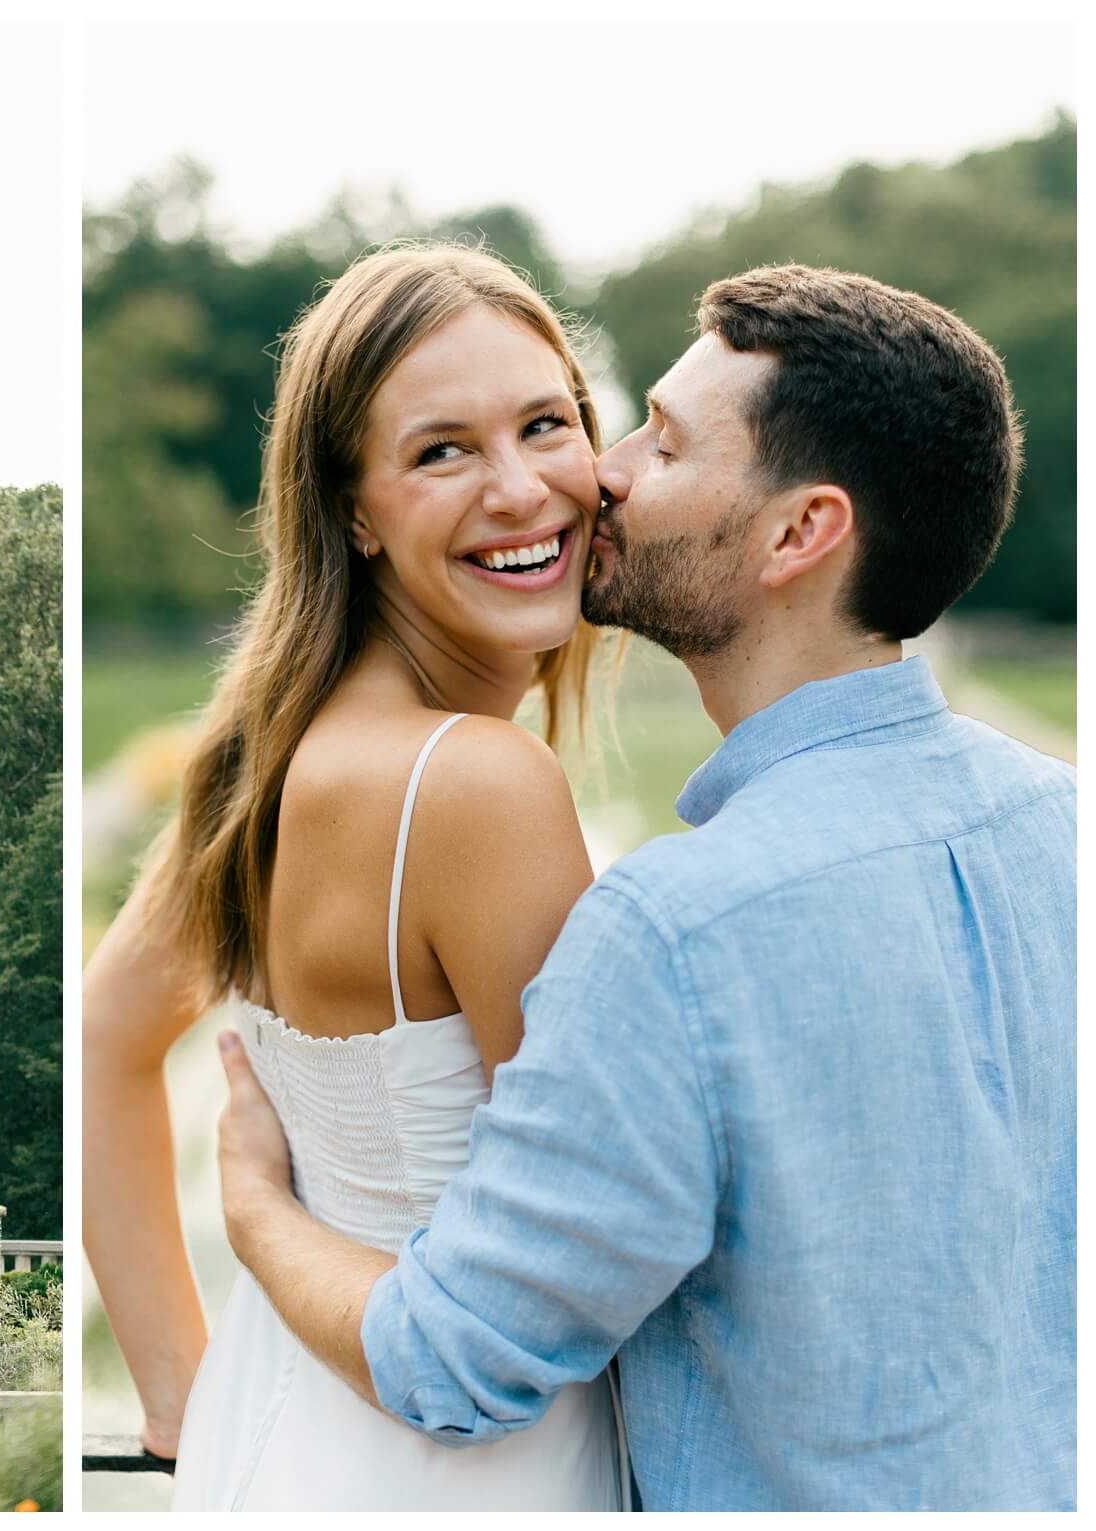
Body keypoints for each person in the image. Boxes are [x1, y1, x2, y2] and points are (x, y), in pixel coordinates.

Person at [214, 265, 1074, 1510]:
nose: (600, 473)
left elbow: (455, 1354)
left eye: (660, 444)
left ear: (798, 531)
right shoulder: (1066, 827)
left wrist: (250, 1207)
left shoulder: (671, 933)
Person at [84, 243, 628, 1510]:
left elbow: (106, 1033)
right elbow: (598, 1228)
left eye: (544, 424)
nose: (519, 489)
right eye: (441, 451)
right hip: (480, 1463)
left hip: (271, 1442)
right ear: (353, 511)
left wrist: (178, 1397)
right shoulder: (479, 786)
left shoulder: (262, 757)